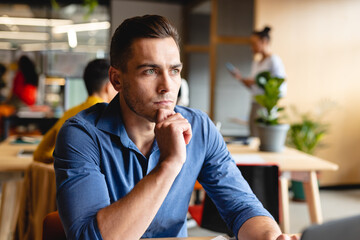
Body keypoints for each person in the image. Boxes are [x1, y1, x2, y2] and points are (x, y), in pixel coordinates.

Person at [54, 15, 298, 240]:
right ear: (117, 79)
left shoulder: (200, 127)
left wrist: (271, 236)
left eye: (174, 71)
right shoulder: (81, 134)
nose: (167, 86)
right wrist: (169, 165)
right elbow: (87, 237)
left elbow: (241, 207)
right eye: (150, 71)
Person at [34, 59, 116, 164]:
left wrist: (63, 160)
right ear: (109, 87)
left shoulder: (69, 113)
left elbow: (39, 154)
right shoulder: (112, 118)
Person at [230, 26, 286, 137]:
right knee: (253, 134)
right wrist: (241, 79)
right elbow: (254, 87)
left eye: (254, 43)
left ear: (264, 42)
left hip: (266, 105)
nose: (251, 47)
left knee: (262, 136)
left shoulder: (274, 61)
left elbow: (279, 84)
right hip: (255, 102)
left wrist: (255, 82)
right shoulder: (256, 63)